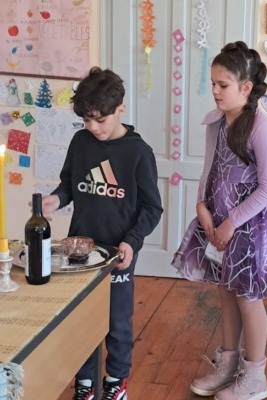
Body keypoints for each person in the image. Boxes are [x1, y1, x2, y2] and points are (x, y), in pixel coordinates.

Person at [172, 41, 267, 400]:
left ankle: (255, 377)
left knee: (247, 297)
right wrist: (202, 206)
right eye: (213, 83)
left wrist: (231, 222)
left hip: (252, 225)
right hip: (219, 218)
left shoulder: (259, 127)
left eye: (223, 85)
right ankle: (227, 366)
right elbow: (209, 168)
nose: (215, 91)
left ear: (245, 87)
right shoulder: (215, 122)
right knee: (226, 293)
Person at [41, 66, 163, 400]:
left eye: (100, 120)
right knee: (81, 323)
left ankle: (116, 382)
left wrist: (132, 242)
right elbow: (69, 184)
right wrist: (56, 199)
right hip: (79, 254)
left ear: (120, 108)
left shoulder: (138, 153)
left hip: (117, 255)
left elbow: (152, 208)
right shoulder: (81, 142)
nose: (93, 127)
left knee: (117, 322)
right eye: (86, 120)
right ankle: (86, 384)